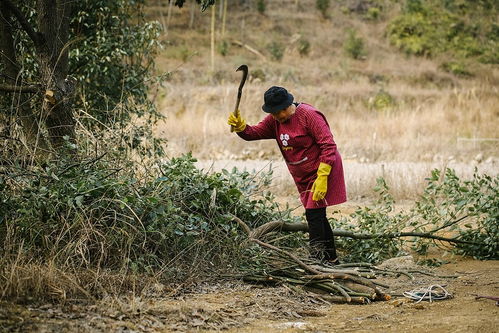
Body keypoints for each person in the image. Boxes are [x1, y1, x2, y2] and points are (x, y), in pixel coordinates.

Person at [227, 86, 347, 264]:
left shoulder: (309, 115)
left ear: (287, 106)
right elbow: (254, 133)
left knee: (314, 214)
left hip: (322, 169)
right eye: (272, 113)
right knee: (318, 215)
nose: (276, 117)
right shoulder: (274, 120)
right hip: (303, 175)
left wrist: (322, 178)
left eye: (278, 113)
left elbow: (328, 146)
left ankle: (316, 260)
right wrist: (241, 127)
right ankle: (331, 260)